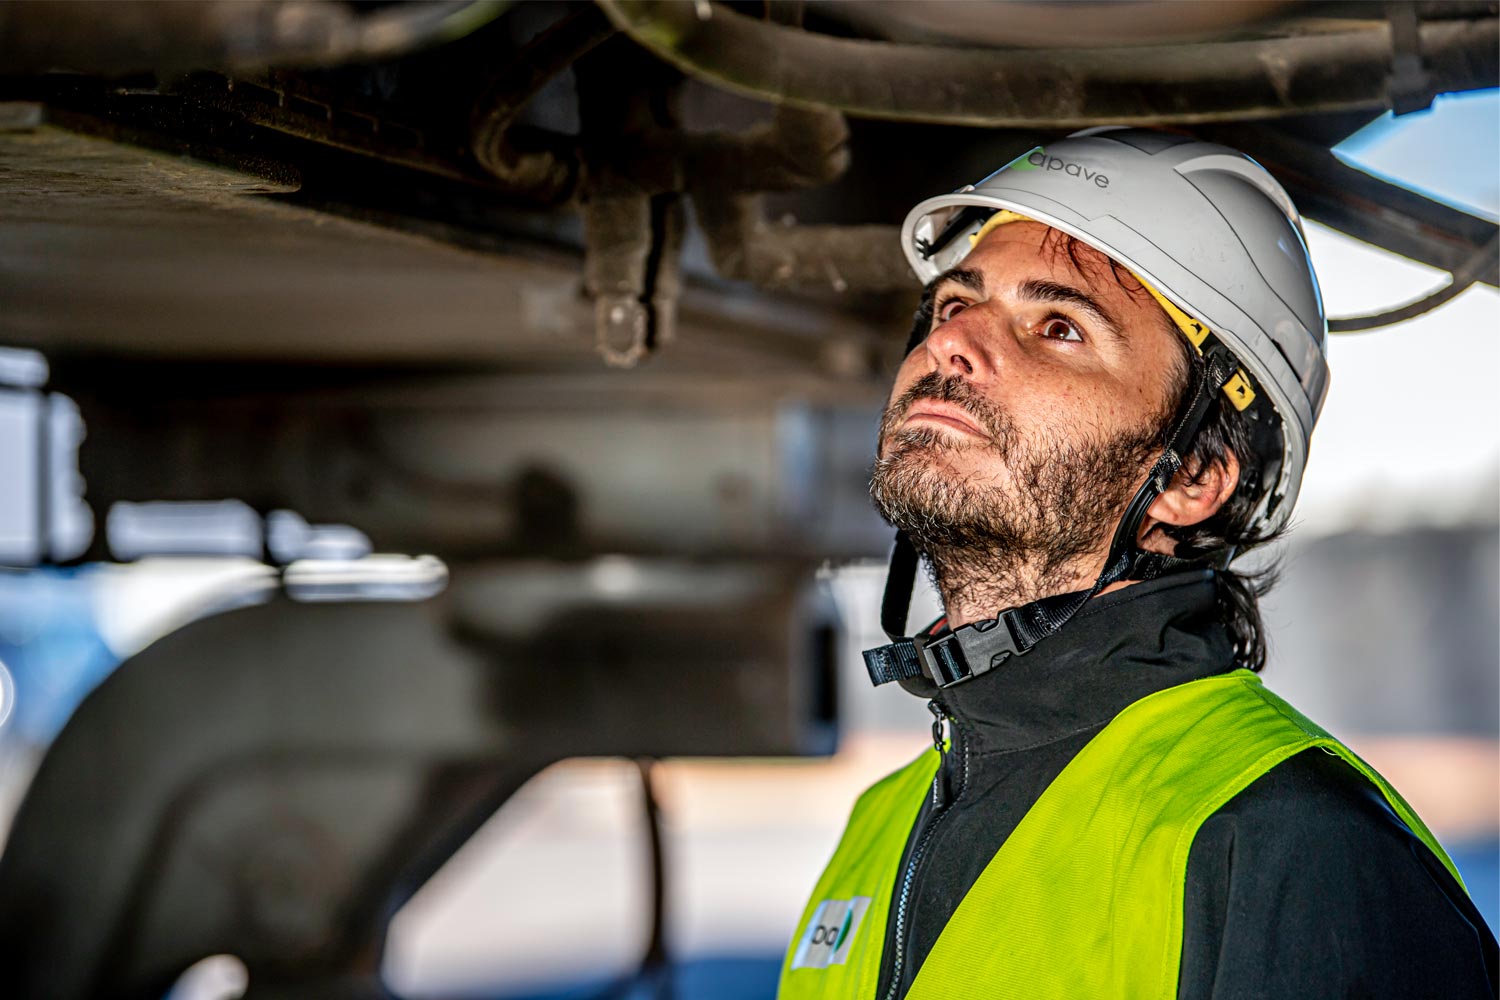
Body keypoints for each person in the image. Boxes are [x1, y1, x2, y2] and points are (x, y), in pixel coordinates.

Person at [777, 129, 1498, 999]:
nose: (952, 345)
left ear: (1191, 479)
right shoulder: (881, 820)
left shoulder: (1292, 848)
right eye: (952, 305)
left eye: (1057, 327)